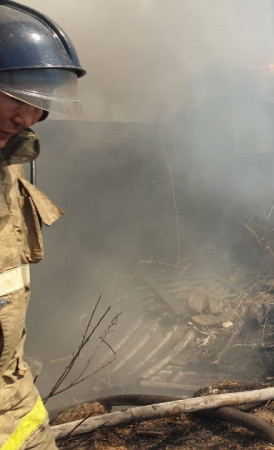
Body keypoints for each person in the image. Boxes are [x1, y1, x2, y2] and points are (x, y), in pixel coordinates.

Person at [0, 1, 86, 448]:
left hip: (15, 400)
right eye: (16, 97)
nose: (27, 118)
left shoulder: (8, 162)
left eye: (37, 104)